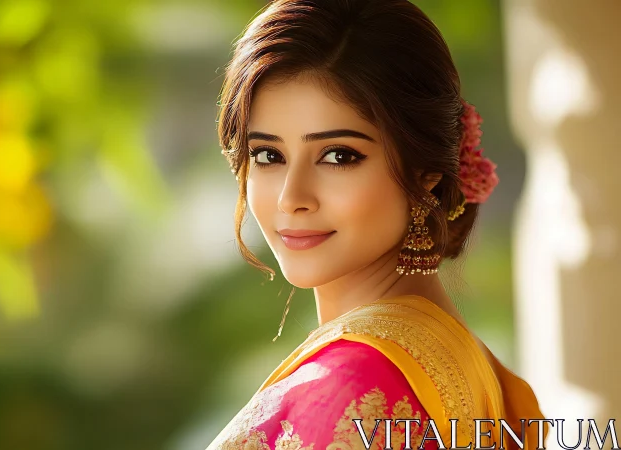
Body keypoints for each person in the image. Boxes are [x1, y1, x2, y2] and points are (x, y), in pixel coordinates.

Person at [206, 1, 549, 449]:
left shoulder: (351, 384)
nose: (292, 198)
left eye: (338, 156)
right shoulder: (464, 363)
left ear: (426, 170)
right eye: (268, 155)